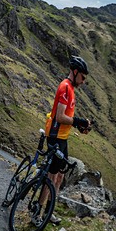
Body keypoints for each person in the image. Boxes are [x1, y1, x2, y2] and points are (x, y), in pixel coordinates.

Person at [37, 56, 92, 212]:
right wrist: (77, 121)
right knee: (52, 176)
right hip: (55, 136)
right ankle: (37, 209)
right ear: (75, 72)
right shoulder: (65, 88)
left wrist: (80, 126)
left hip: (63, 137)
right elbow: (60, 117)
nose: (83, 81)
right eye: (82, 77)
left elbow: (67, 117)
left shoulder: (72, 89)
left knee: (60, 176)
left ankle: (49, 211)